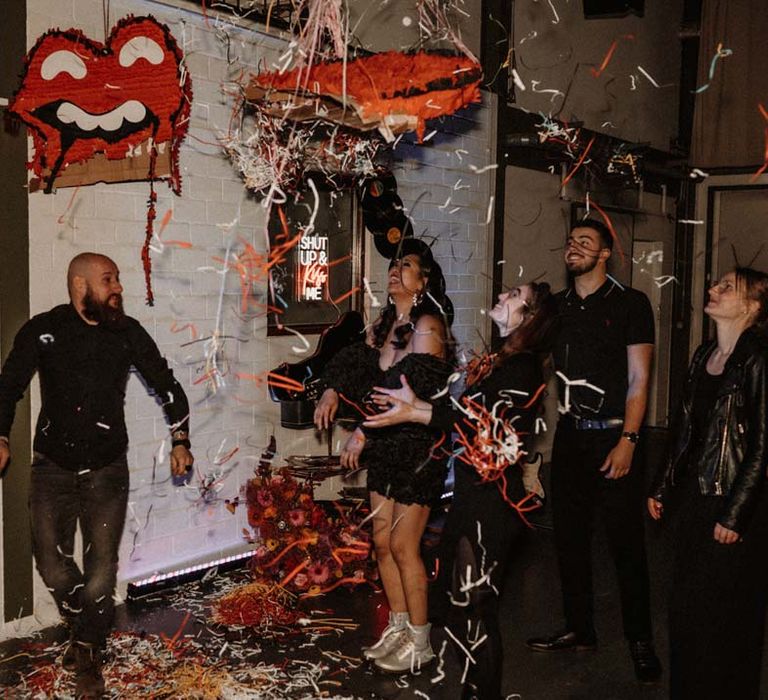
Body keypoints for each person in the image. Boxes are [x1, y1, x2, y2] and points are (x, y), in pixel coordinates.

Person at [0, 253, 193, 698]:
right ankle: (85, 626)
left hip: (107, 467)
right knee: (49, 561)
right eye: (108, 280)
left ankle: (88, 650)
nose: (117, 287)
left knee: (102, 569)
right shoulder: (44, 329)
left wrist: (181, 439)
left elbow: (165, 383)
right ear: (79, 285)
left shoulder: (125, 333)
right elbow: (8, 385)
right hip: (52, 467)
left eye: (118, 279)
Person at [365, 282, 558, 700]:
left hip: (492, 505)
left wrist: (418, 411)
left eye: (515, 295)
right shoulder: (502, 362)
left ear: (530, 317)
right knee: (461, 609)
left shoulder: (522, 369)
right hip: (473, 497)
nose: (504, 295)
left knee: (477, 612)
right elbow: (464, 416)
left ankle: (480, 693)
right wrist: (415, 408)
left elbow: (491, 428)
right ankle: (473, 688)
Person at [526, 219, 662, 683]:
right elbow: (532, 368)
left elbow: (639, 380)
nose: (574, 249)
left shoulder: (630, 303)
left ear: (605, 254)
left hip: (613, 437)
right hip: (570, 438)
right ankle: (580, 630)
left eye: (585, 243)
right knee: (569, 541)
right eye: (570, 242)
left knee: (625, 544)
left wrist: (629, 439)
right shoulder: (557, 308)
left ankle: (640, 640)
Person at [314, 238, 454, 673]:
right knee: (380, 544)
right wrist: (334, 389)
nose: (395, 270)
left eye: (406, 265)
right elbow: (353, 364)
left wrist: (359, 433)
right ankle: (397, 628)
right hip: (387, 446)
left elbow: (403, 392)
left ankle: (421, 640)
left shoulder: (429, 325)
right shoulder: (387, 326)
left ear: (423, 281)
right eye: (393, 265)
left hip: (419, 448)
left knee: (403, 545)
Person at [648, 268, 768, 699]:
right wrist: (663, 486)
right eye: (715, 283)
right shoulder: (703, 356)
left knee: (729, 617)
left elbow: (761, 447)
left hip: (739, 507)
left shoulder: (758, 359)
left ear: (752, 307)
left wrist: (735, 513)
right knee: (686, 610)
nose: (713, 289)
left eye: (727, 288)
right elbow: (685, 432)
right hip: (698, 500)